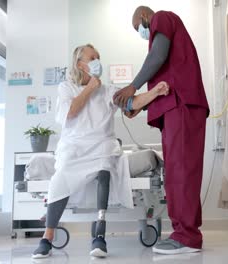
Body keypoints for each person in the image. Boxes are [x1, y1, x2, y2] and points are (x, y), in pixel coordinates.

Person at [32, 43, 169, 259]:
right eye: (92, 57)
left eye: (98, 57)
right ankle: (46, 238)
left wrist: (155, 92)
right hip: (74, 148)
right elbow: (70, 113)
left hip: (102, 145)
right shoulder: (66, 87)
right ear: (80, 64)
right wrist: (90, 87)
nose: (97, 61)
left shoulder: (108, 91)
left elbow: (131, 103)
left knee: (105, 167)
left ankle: (100, 235)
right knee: (61, 176)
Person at [113, 6, 210, 255]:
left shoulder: (162, 18)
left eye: (139, 28)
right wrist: (140, 106)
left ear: (145, 18)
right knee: (177, 171)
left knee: (182, 171)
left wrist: (132, 87)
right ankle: (183, 232)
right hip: (175, 107)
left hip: (183, 106)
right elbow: (164, 84)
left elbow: (157, 56)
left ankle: (187, 237)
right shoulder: (166, 39)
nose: (142, 33)